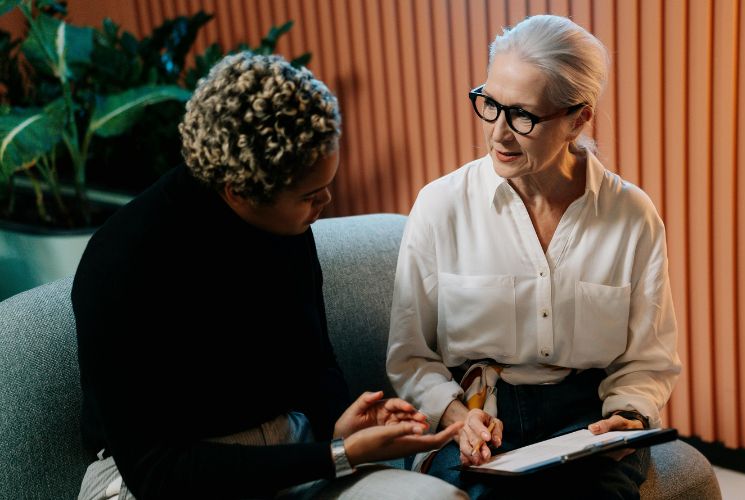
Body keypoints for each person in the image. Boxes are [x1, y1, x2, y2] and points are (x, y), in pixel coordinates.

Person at [72, 52, 464, 500]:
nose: (327, 202)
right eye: (311, 196)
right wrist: (337, 455)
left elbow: (314, 362)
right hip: (167, 480)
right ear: (238, 193)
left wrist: (340, 419)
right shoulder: (122, 263)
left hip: (291, 448)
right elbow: (157, 472)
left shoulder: (286, 226)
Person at [386, 15, 681, 499]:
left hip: (587, 415)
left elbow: (647, 360)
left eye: (522, 115)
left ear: (578, 118)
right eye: (490, 105)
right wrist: (458, 418)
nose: (499, 134)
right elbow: (410, 357)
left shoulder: (631, 216)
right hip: (478, 408)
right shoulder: (440, 206)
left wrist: (628, 415)